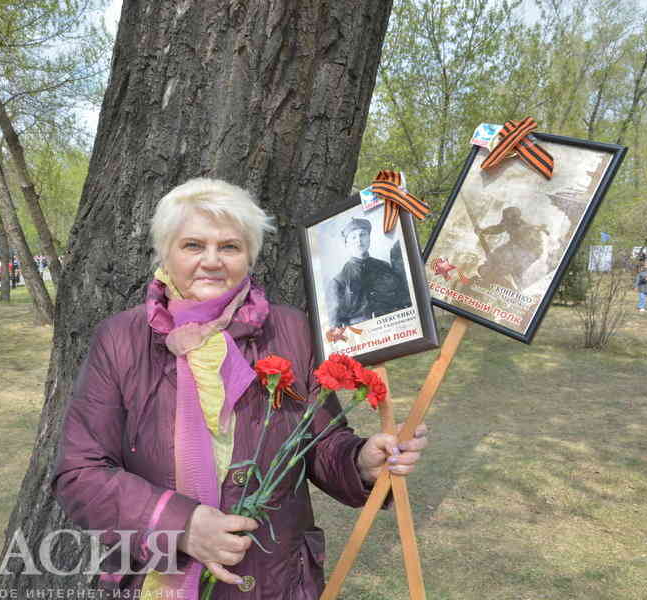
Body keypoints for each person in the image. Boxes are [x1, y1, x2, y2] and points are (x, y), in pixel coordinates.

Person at [52, 179, 429, 600]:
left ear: (249, 255)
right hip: (159, 580)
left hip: (276, 582)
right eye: (193, 245)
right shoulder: (120, 339)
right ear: (165, 251)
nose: (211, 261)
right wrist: (182, 525)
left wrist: (361, 462)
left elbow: (320, 444)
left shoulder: (290, 330)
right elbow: (80, 472)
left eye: (229, 247)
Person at [327, 217, 411, 327]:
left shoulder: (384, 267)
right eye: (353, 237)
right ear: (346, 244)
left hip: (393, 327)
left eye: (363, 235)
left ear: (369, 238)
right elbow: (335, 327)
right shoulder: (338, 281)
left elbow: (403, 299)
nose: (359, 240)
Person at [475, 206, 548, 289]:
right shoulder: (509, 223)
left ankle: (519, 284)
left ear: (515, 217)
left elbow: (534, 246)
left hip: (528, 252)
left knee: (514, 267)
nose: (505, 221)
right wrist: (483, 231)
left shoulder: (525, 228)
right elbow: (498, 228)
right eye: (505, 218)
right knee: (499, 255)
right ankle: (512, 277)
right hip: (517, 248)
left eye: (508, 218)